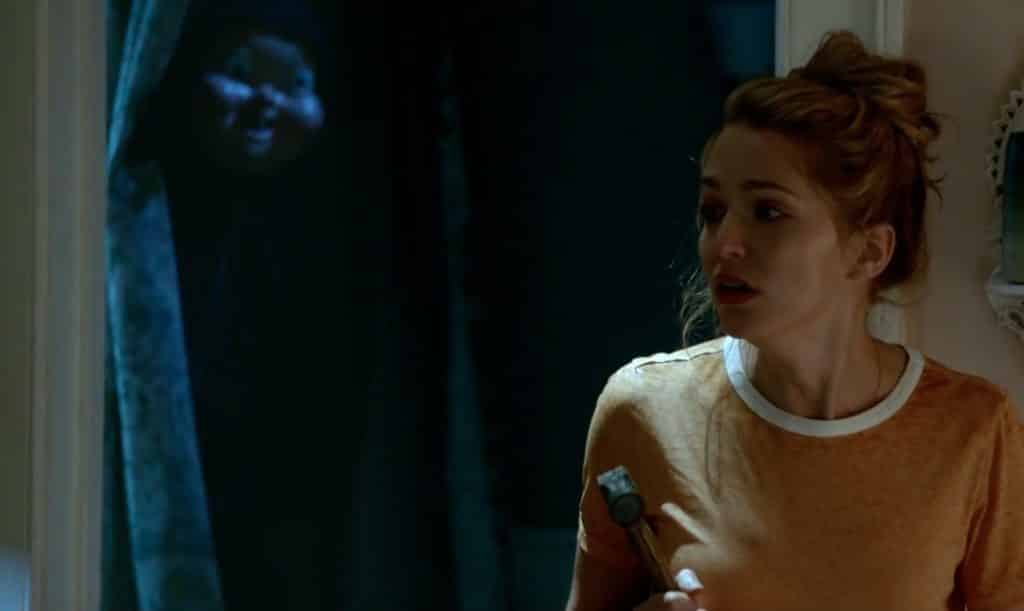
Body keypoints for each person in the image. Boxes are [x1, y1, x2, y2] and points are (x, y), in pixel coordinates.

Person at [565, 30, 1024, 611]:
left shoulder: (974, 430)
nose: (724, 243)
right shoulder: (641, 413)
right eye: (713, 211)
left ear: (869, 251)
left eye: (768, 211)